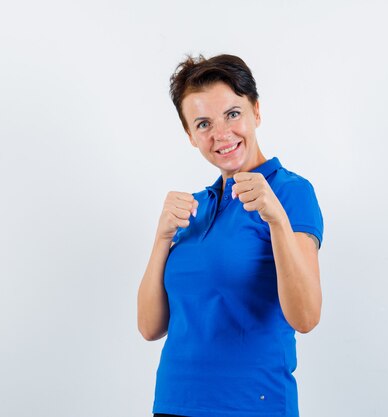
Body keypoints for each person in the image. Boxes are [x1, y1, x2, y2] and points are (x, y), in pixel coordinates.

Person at [137, 54, 324, 417]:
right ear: (190, 135)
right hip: (174, 403)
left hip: (252, 405)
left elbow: (306, 317)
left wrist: (277, 221)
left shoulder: (290, 193)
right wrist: (161, 239)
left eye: (233, 114)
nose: (220, 134)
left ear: (256, 111)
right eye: (203, 123)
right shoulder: (193, 208)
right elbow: (149, 327)